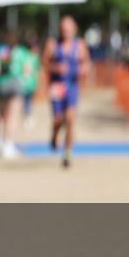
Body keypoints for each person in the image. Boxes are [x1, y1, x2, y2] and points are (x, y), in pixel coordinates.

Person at [42, 15, 91, 168]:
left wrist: (84, 69)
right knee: (58, 119)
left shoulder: (81, 45)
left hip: (72, 85)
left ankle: (67, 153)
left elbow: (87, 63)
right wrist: (55, 68)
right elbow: (44, 64)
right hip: (57, 86)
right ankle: (55, 134)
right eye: (63, 29)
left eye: (68, 29)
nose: (66, 32)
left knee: (70, 119)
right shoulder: (52, 44)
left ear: (74, 30)